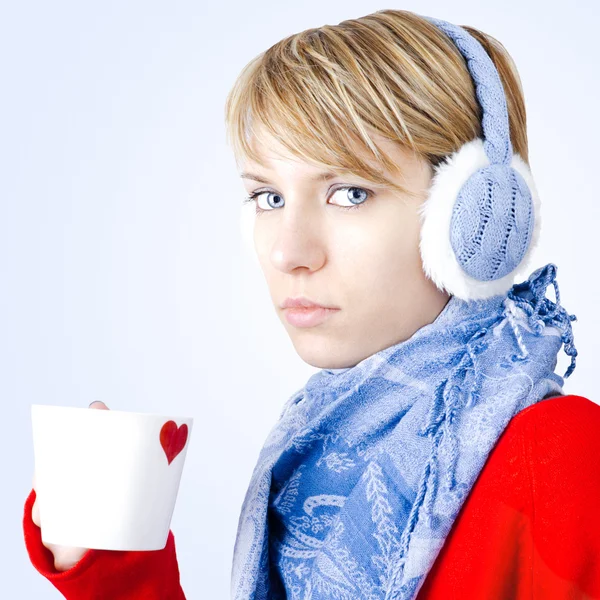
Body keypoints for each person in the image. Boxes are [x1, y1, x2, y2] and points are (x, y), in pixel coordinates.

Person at [23, 9, 600, 600]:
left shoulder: (561, 457)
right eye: (268, 196)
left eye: (349, 193)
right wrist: (111, 565)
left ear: (474, 218)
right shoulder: (305, 457)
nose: (288, 252)